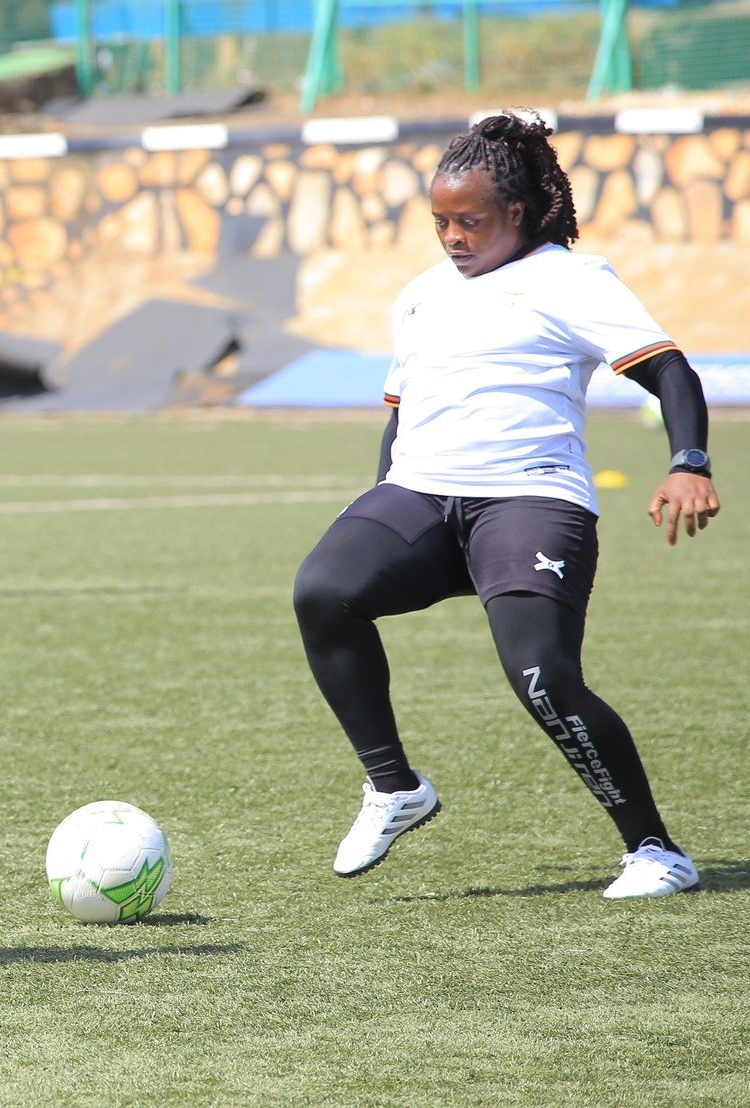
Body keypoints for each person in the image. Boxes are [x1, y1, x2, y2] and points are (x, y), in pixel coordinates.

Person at [291, 111, 720, 900]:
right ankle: (395, 787)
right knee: (323, 590)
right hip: (420, 495)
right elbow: (401, 411)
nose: (452, 237)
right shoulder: (421, 295)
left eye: (470, 220)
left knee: (543, 676)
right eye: (440, 222)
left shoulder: (571, 280)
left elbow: (670, 372)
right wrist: (380, 499)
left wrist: (688, 462)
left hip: (530, 498)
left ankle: (656, 850)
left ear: (516, 212)